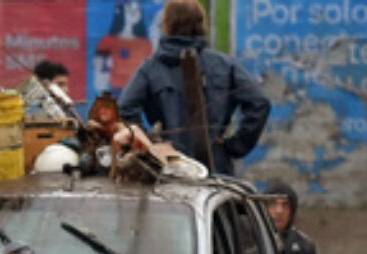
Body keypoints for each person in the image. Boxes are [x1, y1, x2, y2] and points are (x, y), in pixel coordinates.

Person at [115, 0, 270, 176]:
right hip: (216, 170)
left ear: (166, 24)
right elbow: (260, 102)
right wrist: (235, 146)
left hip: (168, 169)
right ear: (200, 24)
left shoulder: (150, 68)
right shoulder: (224, 65)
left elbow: (124, 109)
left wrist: (149, 146)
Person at [265, 180, 322, 254]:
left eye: (285, 205)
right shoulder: (248, 243)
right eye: (273, 204)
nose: (279, 211)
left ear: (292, 211)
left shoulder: (305, 246)